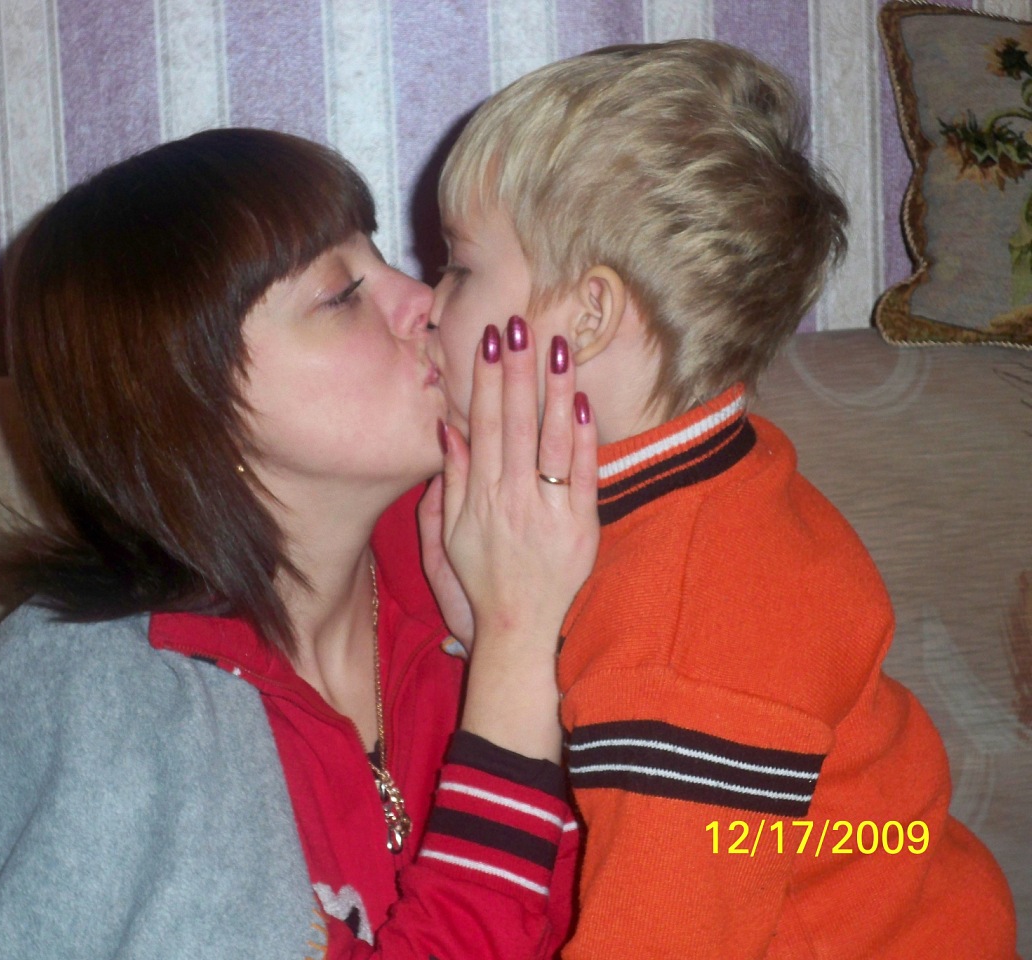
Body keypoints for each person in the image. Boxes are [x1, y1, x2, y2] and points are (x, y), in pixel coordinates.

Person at [0, 128, 600, 959]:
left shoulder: (478, 569)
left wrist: (512, 649)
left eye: (385, 260)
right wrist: (516, 656)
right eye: (342, 294)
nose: (425, 301)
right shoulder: (106, 685)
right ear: (186, 401)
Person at [427, 40, 1018, 959]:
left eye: (459, 268)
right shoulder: (720, 477)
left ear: (588, 317)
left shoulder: (686, 626)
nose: (430, 305)